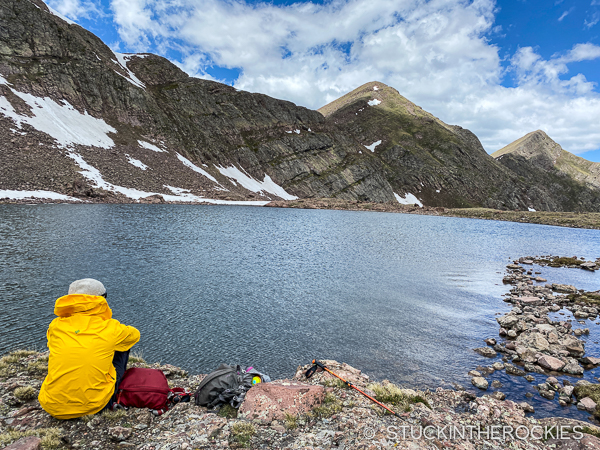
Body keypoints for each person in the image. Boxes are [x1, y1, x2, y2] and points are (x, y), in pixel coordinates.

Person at [38, 279, 140, 419]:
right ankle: (110, 388)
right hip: (94, 406)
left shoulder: (55, 326)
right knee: (123, 345)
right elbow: (135, 335)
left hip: (52, 406)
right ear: (101, 300)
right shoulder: (111, 328)